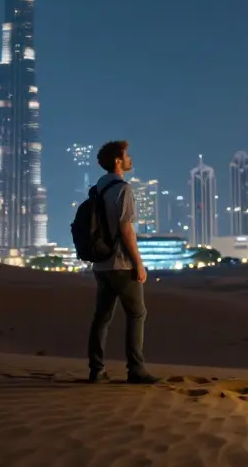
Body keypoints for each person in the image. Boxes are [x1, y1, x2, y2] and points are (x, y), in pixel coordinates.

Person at [86, 140, 160, 385]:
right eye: (127, 155)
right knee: (137, 313)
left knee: (102, 316)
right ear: (118, 161)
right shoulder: (123, 189)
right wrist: (138, 263)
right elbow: (126, 228)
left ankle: (96, 370)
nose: (130, 159)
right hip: (121, 263)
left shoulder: (99, 186)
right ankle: (136, 370)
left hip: (101, 264)